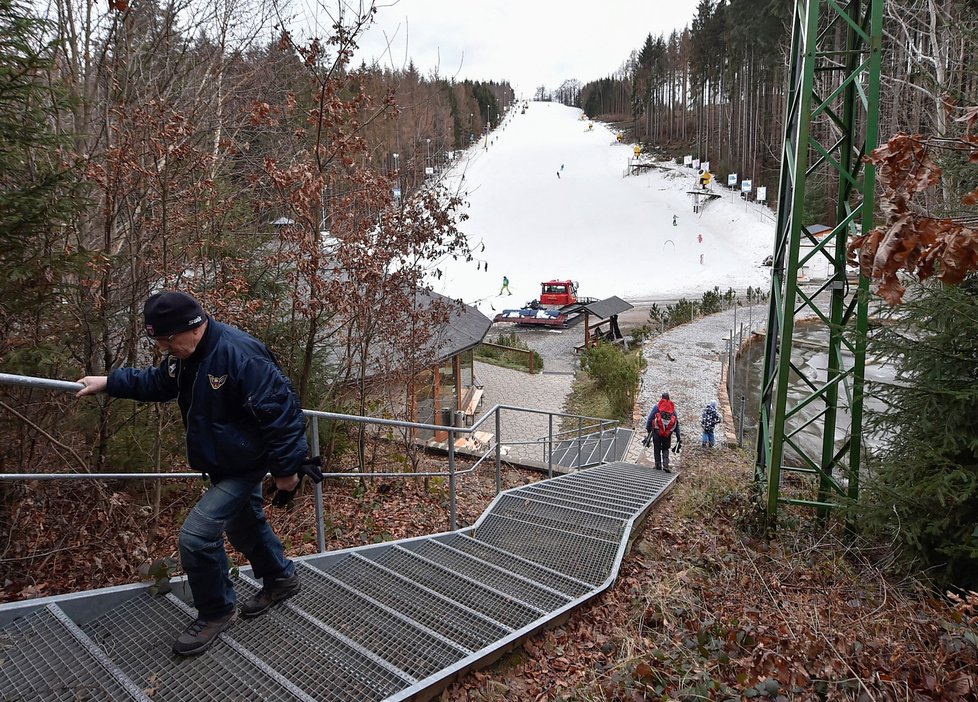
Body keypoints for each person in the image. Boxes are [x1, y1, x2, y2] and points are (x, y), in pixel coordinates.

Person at [76, 291, 322, 656]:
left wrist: (287, 470)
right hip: (220, 461)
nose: (164, 347)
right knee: (244, 525)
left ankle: (216, 611)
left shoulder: (240, 354)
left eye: (168, 339)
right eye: (158, 341)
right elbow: (159, 383)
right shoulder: (185, 356)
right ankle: (281, 578)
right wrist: (110, 382)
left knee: (196, 536)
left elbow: (281, 412)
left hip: (245, 463)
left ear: (195, 326)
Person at [645, 392, 682, 472]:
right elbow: (676, 424)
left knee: (657, 448)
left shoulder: (657, 407)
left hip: (657, 431)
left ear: (662, 398)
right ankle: (665, 464)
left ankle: (658, 466)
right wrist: (678, 437)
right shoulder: (672, 410)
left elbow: (650, 418)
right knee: (665, 448)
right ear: (669, 399)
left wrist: (648, 428)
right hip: (667, 433)